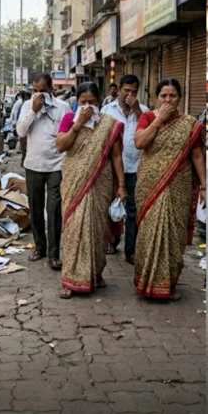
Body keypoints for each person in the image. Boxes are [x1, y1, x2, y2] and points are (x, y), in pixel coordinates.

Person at [133, 78, 206, 301]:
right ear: (157, 98)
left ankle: (167, 285)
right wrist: (159, 121)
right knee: (149, 232)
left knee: (173, 234)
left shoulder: (189, 124)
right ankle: (146, 283)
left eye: (172, 95)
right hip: (150, 184)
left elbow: (197, 155)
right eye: (163, 95)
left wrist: (204, 185)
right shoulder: (147, 117)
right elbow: (139, 142)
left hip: (179, 186)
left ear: (179, 98)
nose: (168, 99)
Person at [55, 83, 126, 298]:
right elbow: (61, 146)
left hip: (100, 182)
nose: (87, 106)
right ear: (77, 101)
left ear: (99, 102)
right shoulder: (69, 119)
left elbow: (115, 156)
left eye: (92, 102)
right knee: (74, 228)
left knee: (98, 229)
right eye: (83, 102)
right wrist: (78, 125)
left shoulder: (109, 124)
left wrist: (121, 185)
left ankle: (95, 273)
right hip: (74, 181)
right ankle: (70, 279)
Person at [16, 73, 71, 270]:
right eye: (35, 91)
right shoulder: (26, 106)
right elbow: (21, 132)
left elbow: (68, 134)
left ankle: (54, 254)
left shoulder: (63, 108)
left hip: (56, 165)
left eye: (43, 91)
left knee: (54, 209)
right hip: (33, 164)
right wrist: (33, 111)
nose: (38, 95)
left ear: (51, 90)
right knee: (36, 208)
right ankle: (40, 246)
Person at [101, 74, 149, 264]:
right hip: (110, 169)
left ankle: (131, 251)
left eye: (133, 92)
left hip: (135, 168)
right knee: (110, 207)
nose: (129, 94)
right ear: (119, 89)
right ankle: (112, 241)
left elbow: (150, 131)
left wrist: (137, 110)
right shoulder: (107, 110)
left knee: (132, 210)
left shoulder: (144, 111)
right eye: (126, 90)